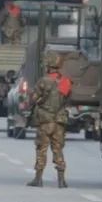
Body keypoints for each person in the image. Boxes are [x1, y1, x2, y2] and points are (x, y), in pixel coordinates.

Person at [26, 51, 72, 188]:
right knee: (58, 149)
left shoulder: (43, 81)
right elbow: (67, 99)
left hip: (45, 121)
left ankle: (38, 179)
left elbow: (32, 100)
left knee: (42, 148)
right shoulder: (66, 81)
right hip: (59, 121)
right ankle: (61, 180)